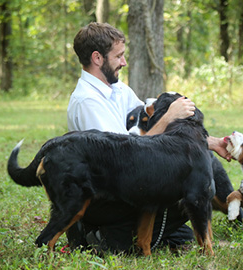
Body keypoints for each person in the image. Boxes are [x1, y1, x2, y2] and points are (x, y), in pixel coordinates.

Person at [66, 22, 231, 254]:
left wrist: (210, 142)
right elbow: (125, 159)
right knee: (193, 186)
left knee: (197, 176)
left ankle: (139, 235)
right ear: (97, 58)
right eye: (119, 56)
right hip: (106, 198)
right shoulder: (87, 102)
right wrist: (169, 117)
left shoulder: (118, 89)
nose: (124, 62)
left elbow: (148, 124)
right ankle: (102, 236)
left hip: (128, 182)